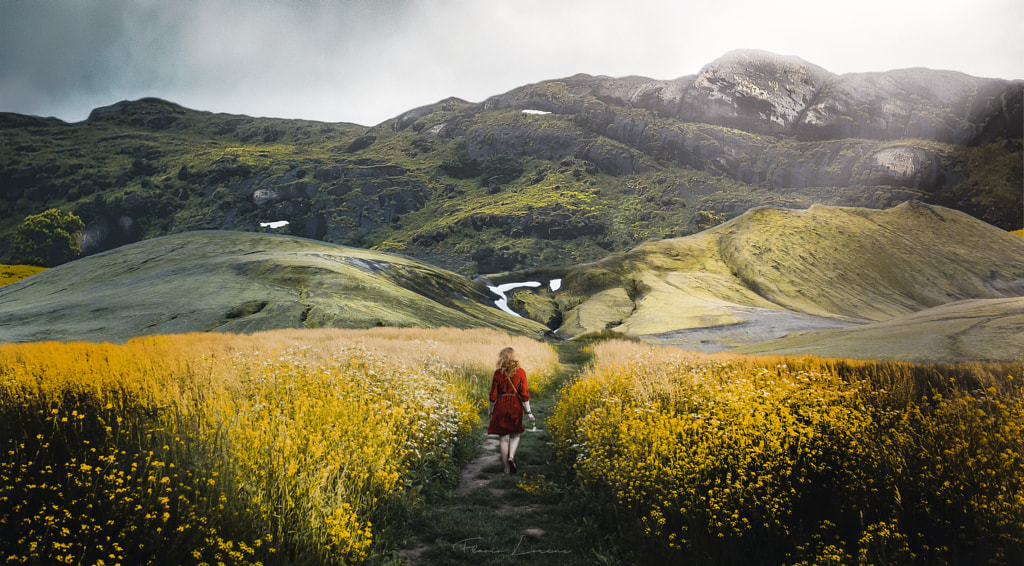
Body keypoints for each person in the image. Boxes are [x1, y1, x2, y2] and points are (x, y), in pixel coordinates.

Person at [487, 346, 535, 475]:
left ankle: (506, 469)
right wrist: (529, 412)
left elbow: (493, 394)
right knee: (515, 434)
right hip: (515, 405)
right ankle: (511, 457)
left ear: (502, 357)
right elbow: (524, 394)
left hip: (501, 405)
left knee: (503, 438)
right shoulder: (521, 372)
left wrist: (490, 409)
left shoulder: (498, 373)